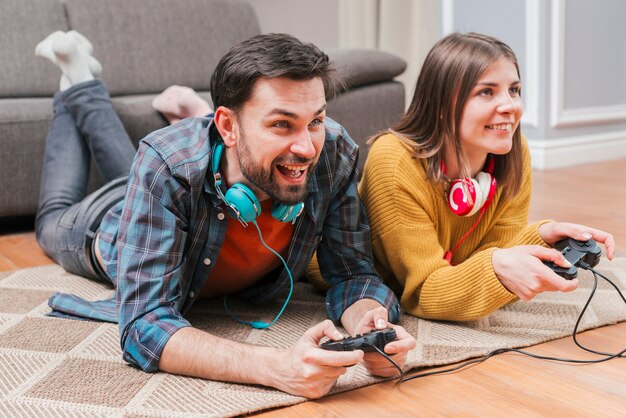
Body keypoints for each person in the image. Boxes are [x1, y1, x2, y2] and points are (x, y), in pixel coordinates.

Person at [34, 30, 415, 398]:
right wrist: (276, 367)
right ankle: (76, 81)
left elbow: (352, 273)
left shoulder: (332, 152)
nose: (306, 147)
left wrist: (371, 320)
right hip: (105, 227)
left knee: (132, 169)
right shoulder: (166, 164)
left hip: (159, 186)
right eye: (282, 124)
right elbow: (144, 326)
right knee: (51, 219)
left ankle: (82, 80)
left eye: (315, 120)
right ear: (228, 126)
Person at [358, 32, 616, 322]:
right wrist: (496, 268)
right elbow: (424, 293)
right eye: (486, 92)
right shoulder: (393, 162)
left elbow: (496, 249)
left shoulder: (513, 149)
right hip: (373, 277)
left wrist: (541, 235)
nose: (510, 106)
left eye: (514, 90)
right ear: (442, 106)